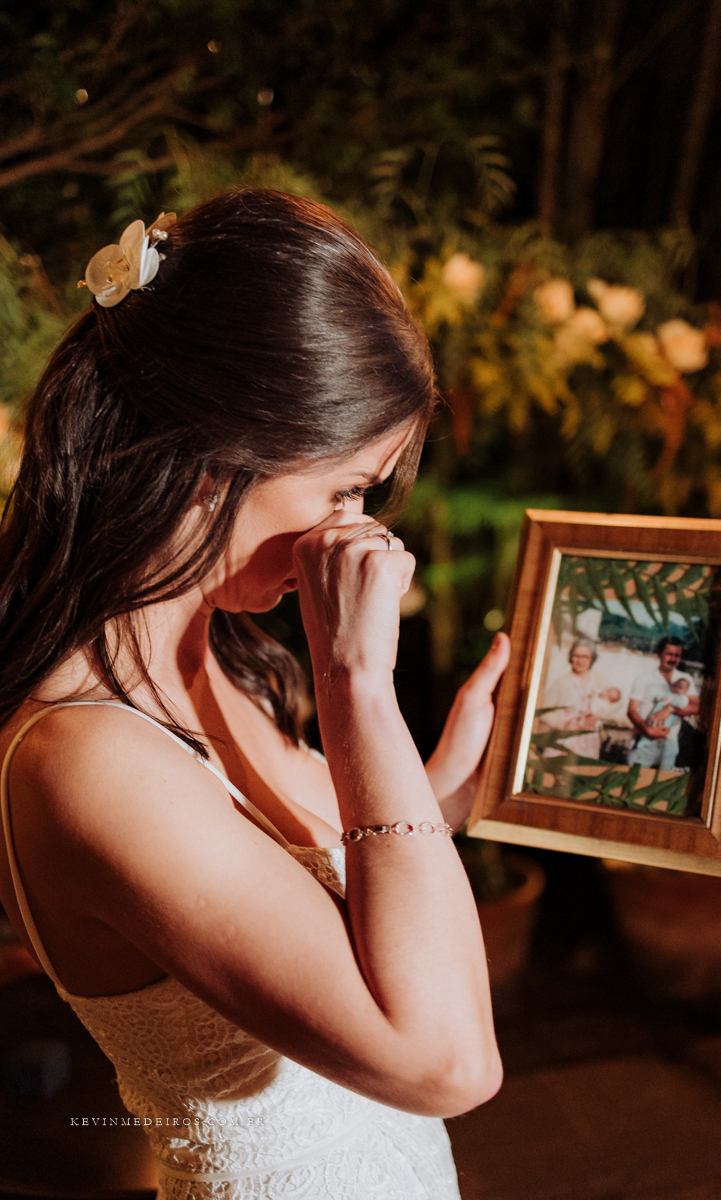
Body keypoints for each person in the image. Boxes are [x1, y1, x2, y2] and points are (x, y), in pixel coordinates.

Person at [0, 190, 510, 1198]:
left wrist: (441, 786)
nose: (355, 533)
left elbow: (331, 906)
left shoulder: (216, 660)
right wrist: (357, 685)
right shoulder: (88, 760)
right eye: (342, 489)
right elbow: (446, 1063)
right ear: (211, 453)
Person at [536, 638, 621, 761]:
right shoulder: (561, 682)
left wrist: (598, 715)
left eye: (585, 656)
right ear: (571, 657)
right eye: (577, 656)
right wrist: (563, 724)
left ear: (592, 659)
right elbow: (544, 711)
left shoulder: (599, 679)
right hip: (563, 738)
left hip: (588, 740)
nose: (580, 661)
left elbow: (618, 703)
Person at [626, 636, 699, 771]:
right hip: (645, 741)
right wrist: (647, 730)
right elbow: (632, 710)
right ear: (659, 654)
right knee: (636, 781)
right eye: (669, 654)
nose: (673, 659)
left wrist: (670, 709)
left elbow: (696, 706)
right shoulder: (644, 678)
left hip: (669, 743)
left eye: (677, 655)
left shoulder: (685, 679)